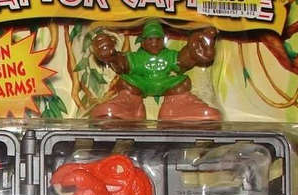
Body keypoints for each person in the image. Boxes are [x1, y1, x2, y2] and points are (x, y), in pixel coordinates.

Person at [90, 19, 221, 121]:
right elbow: (123, 64)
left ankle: (177, 106)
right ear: (142, 41)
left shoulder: (168, 55)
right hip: (140, 83)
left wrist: (194, 50)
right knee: (125, 84)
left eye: (158, 39)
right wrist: (111, 56)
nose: (154, 42)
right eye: (150, 39)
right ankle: (130, 105)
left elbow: (182, 61)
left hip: (167, 82)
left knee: (182, 84)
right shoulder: (136, 57)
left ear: (163, 41)